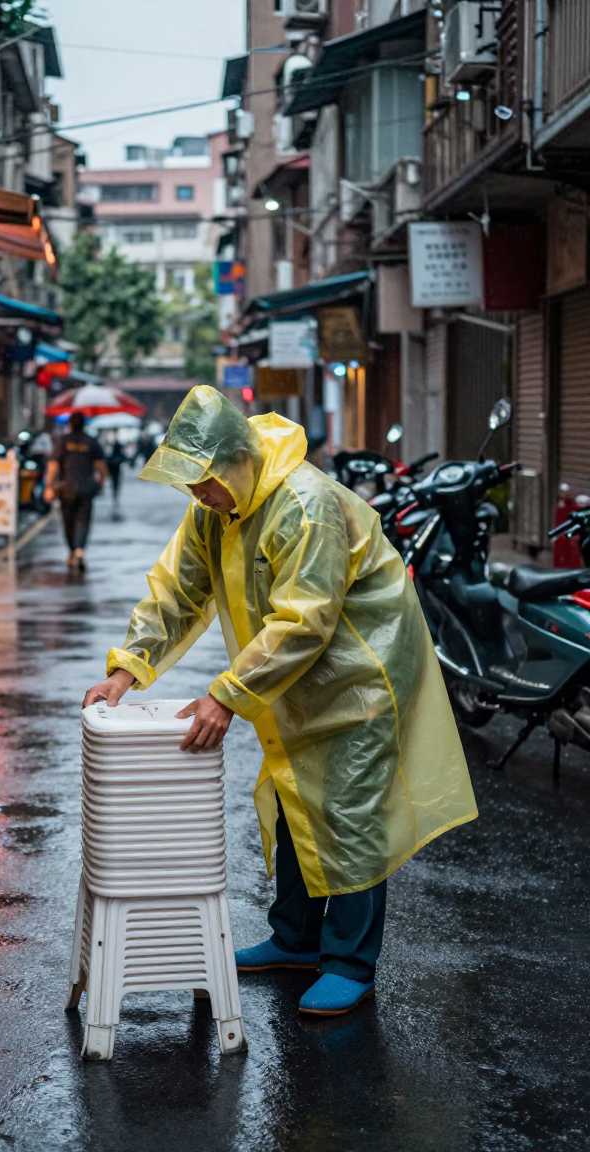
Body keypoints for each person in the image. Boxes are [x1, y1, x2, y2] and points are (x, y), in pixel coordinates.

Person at [84, 386, 477, 1018]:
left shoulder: (305, 504)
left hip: (359, 676)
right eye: (192, 485)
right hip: (295, 680)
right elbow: (177, 591)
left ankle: (349, 962)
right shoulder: (217, 508)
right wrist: (128, 669)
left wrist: (227, 696)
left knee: (348, 809)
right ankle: (297, 940)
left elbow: (306, 621)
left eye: (204, 482)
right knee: (297, 798)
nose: (198, 496)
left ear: (236, 463)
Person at [44, 411, 108, 570]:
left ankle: (72, 550)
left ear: (70, 424)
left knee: (68, 520)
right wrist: (99, 483)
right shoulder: (91, 442)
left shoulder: (62, 442)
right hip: (86, 487)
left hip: (67, 488)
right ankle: (80, 550)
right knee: (84, 519)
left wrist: (49, 486)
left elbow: (53, 467)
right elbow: (101, 469)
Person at [106, 437, 126, 504]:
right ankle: (115, 494)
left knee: (114, 483)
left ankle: (114, 494)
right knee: (116, 483)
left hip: (114, 470)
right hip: (115, 470)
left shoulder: (112, 453)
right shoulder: (117, 454)